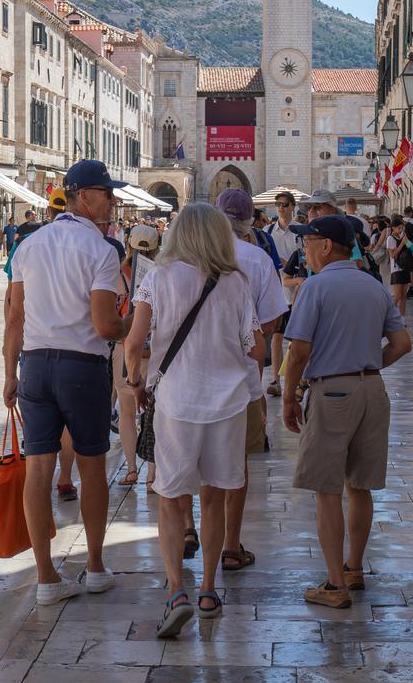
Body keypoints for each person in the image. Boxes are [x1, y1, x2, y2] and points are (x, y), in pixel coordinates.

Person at [124, 204, 262, 636]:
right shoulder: (235, 283)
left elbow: (133, 343)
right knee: (215, 497)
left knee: (171, 497)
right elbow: (255, 347)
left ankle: (176, 592)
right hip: (227, 404)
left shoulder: (158, 278)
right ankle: (207, 589)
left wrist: (136, 382)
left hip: (177, 402)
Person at [4, 160, 129, 605]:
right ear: (87, 197)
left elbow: (15, 316)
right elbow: (104, 324)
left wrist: (8, 373)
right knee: (92, 464)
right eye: (108, 194)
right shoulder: (102, 250)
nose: (113, 203)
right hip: (81, 367)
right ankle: (95, 566)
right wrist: (131, 323)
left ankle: (45, 576)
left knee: (39, 469)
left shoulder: (29, 246)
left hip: (35, 365)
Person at [280, 215, 410, 608]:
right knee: (361, 486)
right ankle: (354, 567)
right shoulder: (373, 286)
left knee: (327, 489)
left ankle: (335, 583)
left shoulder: (315, 288)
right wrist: (367, 366)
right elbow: (402, 343)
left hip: (332, 393)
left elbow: (299, 350)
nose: (303, 248)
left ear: (325, 246)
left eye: (308, 241)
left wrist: (289, 396)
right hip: (372, 390)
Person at [216, 189, 288, 571]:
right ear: (249, 223)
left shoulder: (189, 257)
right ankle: (230, 544)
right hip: (243, 381)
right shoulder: (258, 259)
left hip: (194, 379)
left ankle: (194, 531)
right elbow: (274, 321)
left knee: (198, 460)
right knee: (237, 463)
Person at [115, 224, 160, 488]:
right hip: (156, 350)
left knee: (127, 412)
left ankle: (132, 469)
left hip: (125, 348)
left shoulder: (118, 275)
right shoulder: (163, 275)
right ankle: (153, 474)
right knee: (154, 412)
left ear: (129, 244)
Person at [263, 192, 300, 398]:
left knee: (296, 339)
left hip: (296, 291)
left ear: (293, 207)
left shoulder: (299, 232)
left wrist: (291, 265)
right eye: (278, 204)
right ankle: (276, 379)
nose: (281, 208)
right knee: (276, 338)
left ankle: (294, 380)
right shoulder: (268, 231)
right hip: (276, 291)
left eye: (285, 204)